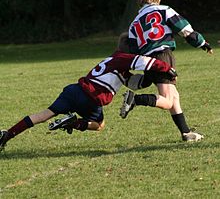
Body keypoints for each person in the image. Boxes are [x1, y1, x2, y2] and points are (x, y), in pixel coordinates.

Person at [0, 33, 177, 151]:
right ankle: (75, 123)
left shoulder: (114, 61)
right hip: (91, 99)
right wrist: (167, 68)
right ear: (132, 49)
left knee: (44, 114)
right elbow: (146, 62)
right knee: (99, 125)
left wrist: (149, 78)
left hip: (74, 90)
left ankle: (8, 134)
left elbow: (134, 83)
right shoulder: (124, 58)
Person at [120, 0, 213, 141]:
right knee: (169, 100)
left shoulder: (134, 24)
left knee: (173, 96)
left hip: (146, 61)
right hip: (163, 56)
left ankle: (186, 133)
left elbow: (133, 50)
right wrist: (202, 43)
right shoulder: (164, 10)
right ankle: (134, 100)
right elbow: (184, 29)